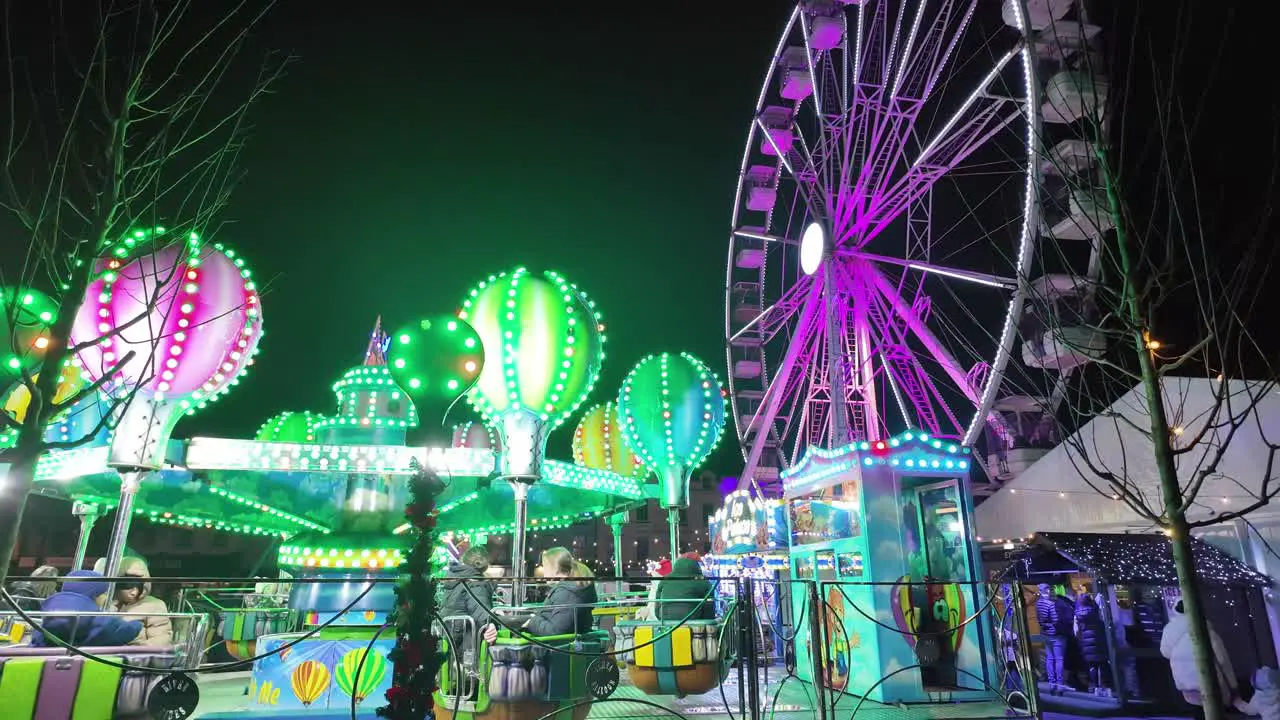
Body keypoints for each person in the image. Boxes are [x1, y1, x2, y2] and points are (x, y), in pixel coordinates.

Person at [484, 547, 596, 641]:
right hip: (555, 642)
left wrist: (532, 622)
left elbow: (554, 631)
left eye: (545, 566)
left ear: (554, 569)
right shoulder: (569, 590)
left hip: (553, 648)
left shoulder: (567, 593)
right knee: (509, 621)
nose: (543, 571)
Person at [1160, 599, 1238, 713]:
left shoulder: (1169, 630)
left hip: (1186, 684)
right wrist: (1234, 686)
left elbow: (1165, 652)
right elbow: (1222, 659)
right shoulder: (1204, 628)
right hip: (1209, 681)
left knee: (1198, 712)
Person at [32, 570, 144, 647]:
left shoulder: (52, 608)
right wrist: (137, 624)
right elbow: (119, 631)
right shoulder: (92, 616)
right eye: (102, 593)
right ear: (94, 594)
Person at [94, 555, 173, 646]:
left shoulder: (154, 605)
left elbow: (161, 637)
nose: (134, 593)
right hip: (102, 653)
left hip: (137, 655)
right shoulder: (103, 601)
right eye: (128, 586)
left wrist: (140, 651)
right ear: (117, 584)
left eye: (139, 587)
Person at [440, 545, 496, 639]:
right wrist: (490, 624)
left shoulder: (456, 576)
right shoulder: (475, 582)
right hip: (463, 639)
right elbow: (480, 608)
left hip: (448, 631)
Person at [1035, 583, 1071, 695]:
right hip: (1056, 634)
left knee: (1050, 659)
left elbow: (1039, 619)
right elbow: (1056, 621)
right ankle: (1059, 684)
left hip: (1045, 634)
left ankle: (1051, 683)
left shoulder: (1038, 603)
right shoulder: (1051, 604)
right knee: (1059, 659)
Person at [655, 555, 715, 621]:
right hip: (693, 620)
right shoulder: (703, 581)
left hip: (666, 619)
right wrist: (707, 621)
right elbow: (709, 606)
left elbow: (657, 603)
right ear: (696, 567)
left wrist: (660, 617)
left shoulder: (665, 579)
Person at [1075, 593, 1110, 696]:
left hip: (1086, 642)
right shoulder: (1095, 610)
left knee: (1092, 666)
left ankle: (1095, 687)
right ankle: (1104, 686)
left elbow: (1076, 631)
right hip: (1098, 640)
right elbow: (1103, 621)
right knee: (1102, 664)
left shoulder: (1077, 613)